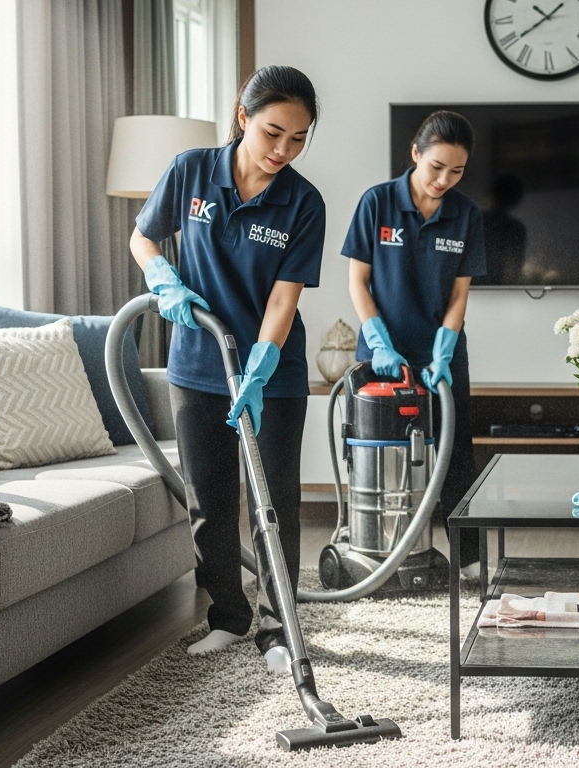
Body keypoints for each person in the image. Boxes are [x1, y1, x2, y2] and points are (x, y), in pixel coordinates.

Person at [130, 66, 324, 674]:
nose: (282, 151)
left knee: (273, 503)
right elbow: (144, 238)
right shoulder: (190, 171)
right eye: (272, 133)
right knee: (209, 501)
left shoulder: (303, 201)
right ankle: (229, 616)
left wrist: (262, 366)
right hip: (196, 363)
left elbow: (283, 299)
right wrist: (161, 279)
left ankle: (276, 630)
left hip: (273, 373)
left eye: (298, 138)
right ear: (242, 118)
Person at [342, 111, 487, 579]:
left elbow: (459, 294)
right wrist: (379, 343)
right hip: (382, 355)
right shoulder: (377, 203)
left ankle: (467, 560)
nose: (445, 179)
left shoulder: (465, 215)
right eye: (437, 167)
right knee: (380, 453)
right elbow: (358, 282)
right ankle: (376, 549)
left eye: (457, 171)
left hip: (439, 356)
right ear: (415, 155)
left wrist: (444, 349)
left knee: (454, 454)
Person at [477, 174, 528, 285]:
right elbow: (516, 267)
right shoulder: (517, 228)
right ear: (516, 200)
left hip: (471, 287)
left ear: (491, 195)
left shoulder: (474, 221)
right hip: (498, 287)